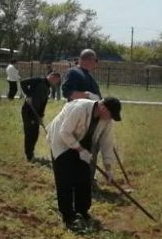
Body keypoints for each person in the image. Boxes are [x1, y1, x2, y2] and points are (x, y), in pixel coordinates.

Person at [47, 97, 122, 229]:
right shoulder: (80, 108)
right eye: (110, 115)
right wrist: (80, 150)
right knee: (65, 179)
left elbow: (107, 143)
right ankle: (68, 217)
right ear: (103, 108)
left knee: (83, 176)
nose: (110, 118)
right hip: (61, 141)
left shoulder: (106, 120)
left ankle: (82, 211)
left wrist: (108, 168)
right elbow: (64, 132)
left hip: (81, 142)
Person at [20, 71, 62, 161]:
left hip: (36, 114)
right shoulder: (39, 80)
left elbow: (43, 104)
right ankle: (29, 156)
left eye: (56, 82)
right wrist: (29, 95)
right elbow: (23, 82)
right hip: (28, 110)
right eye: (55, 81)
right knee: (30, 133)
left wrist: (41, 116)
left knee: (35, 134)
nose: (55, 83)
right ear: (52, 76)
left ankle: (31, 154)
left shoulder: (48, 89)